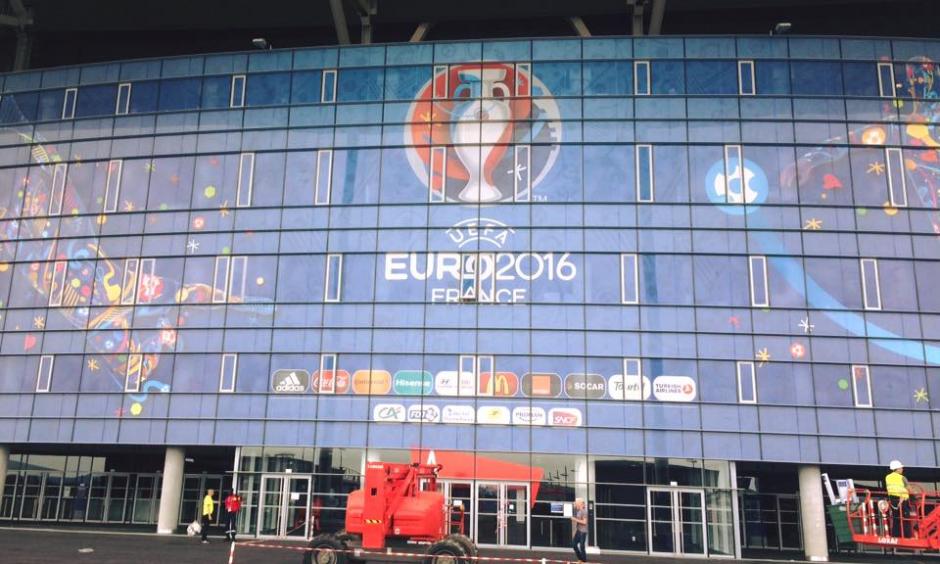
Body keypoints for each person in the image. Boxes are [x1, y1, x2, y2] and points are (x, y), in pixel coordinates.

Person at [886, 460, 910, 538]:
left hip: (893, 501)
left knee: (896, 519)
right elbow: (909, 489)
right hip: (902, 501)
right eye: (901, 468)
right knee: (905, 520)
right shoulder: (902, 478)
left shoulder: (887, 477)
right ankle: (907, 537)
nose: (902, 469)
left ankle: (895, 536)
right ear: (897, 468)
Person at [571, 498, 588, 563]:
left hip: (583, 532)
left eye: (576, 503)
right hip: (578, 531)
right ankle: (580, 558)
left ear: (579, 503)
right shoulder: (578, 511)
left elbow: (584, 522)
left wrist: (575, 519)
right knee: (574, 545)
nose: (575, 504)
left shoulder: (584, 511)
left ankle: (584, 560)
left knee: (581, 546)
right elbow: (574, 507)